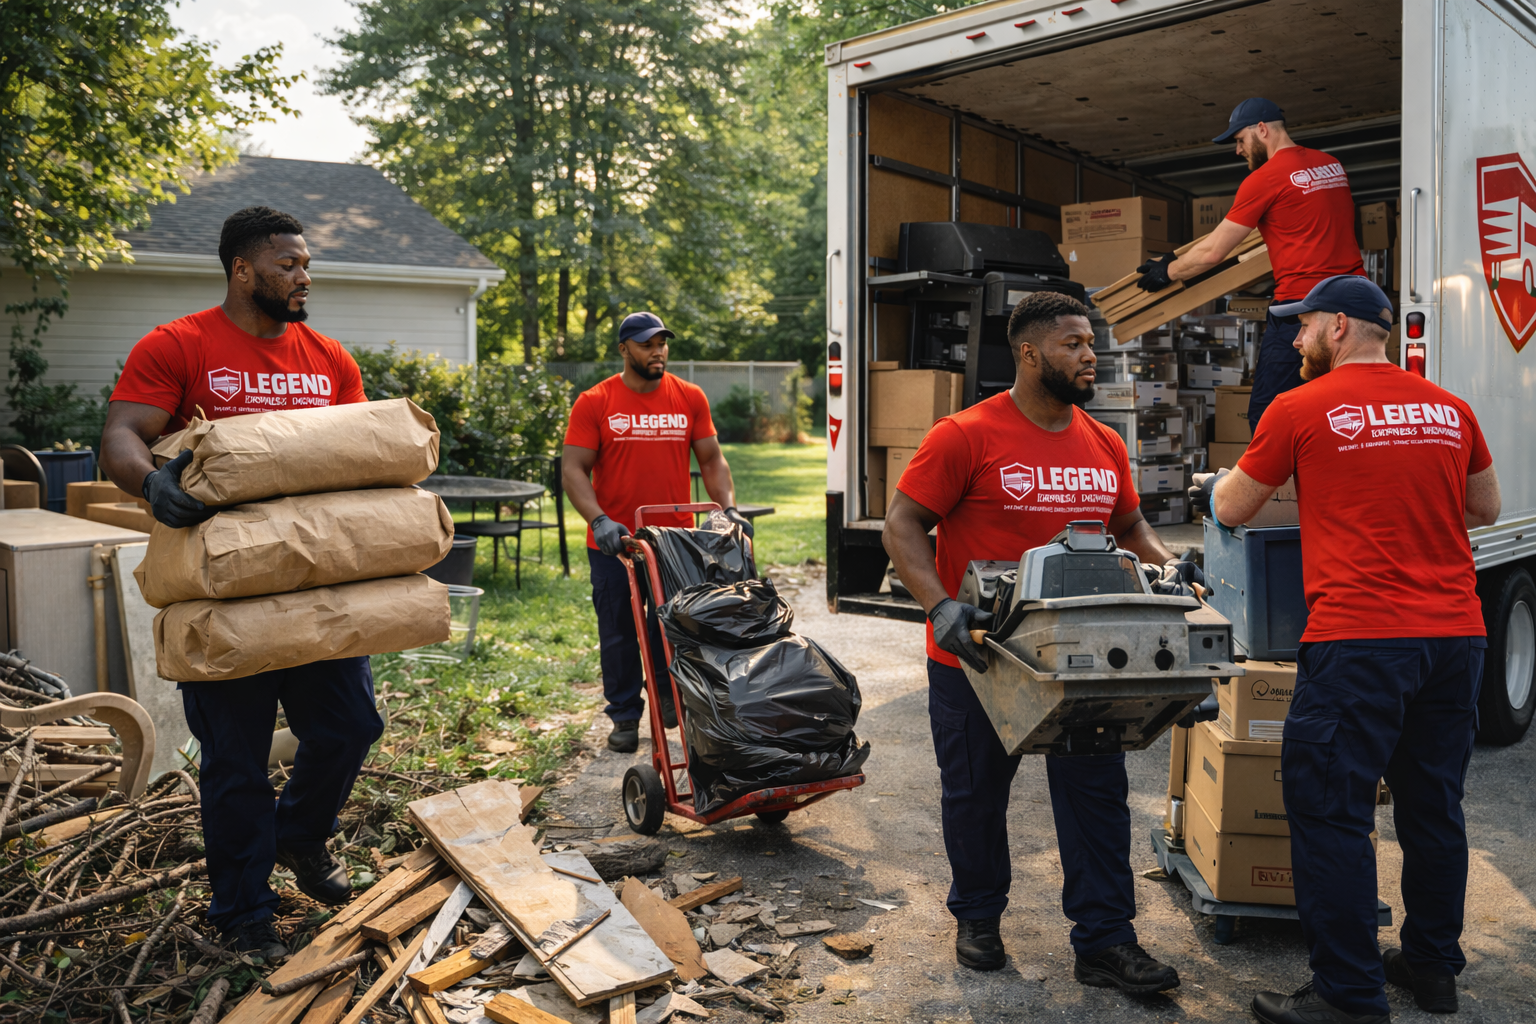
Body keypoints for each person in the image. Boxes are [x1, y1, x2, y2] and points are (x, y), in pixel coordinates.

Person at [1201, 276, 1500, 1024]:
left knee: (1330, 811)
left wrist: (1215, 487)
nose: (1294, 342)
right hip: (1455, 636)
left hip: (1361, 638)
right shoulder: (1449, 408)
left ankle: (1348, 996)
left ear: (1339, 326)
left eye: (1300, 328)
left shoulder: (1300, 408)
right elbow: (1483, 508)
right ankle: (1431, 968)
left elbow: (1235, 507)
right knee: (1434, 808)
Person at [882, 290, 1201, 990]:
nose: (1091, 356)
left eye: (1092, 344)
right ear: (1028, 353)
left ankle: (1106, 942)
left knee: (1096, 796)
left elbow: (1130, 529)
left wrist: (1169, 566)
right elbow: (902, 525)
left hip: (1081, 661)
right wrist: (939, 607)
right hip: (980, 657)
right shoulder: (965, 435)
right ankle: (978, 917)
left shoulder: (1103, 441)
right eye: (1073, 344)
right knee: (974, 795)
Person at [100, 206, 380, 962]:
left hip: (312, 580)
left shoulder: (327, 358)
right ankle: (245, 911)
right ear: (243, 270)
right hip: (219, 591)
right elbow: (121, 434)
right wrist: (152, 482)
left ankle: (298, 839)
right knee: (236, 758)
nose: (304, 276)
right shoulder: (179, 344)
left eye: (307, 264)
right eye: (289, 264)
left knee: (351, 726)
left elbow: (359, 455)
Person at [562, 312, 754, 754]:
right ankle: (625, 716)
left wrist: (728, 508)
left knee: (670, 626)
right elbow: (574, 469)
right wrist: (599, 519)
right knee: (619, 633)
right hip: (614, 542)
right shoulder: (596, 401)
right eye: (647, 344)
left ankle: (669, 695)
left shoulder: (689, 397)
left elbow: (711, 460)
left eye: (663, 343)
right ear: (624, 349)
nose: (658, 351)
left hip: (672, 543)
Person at [1137, 98, 1365, 429]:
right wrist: (1175, 254)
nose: (1238, 151)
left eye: (1240, 140)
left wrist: (1167, 271)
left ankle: (1284, 482)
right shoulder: (1331, 166)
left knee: (1268, 417)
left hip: (1302, 311)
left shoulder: (1265, 178)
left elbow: (1215, 251)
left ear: (1262, 130)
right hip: (1355, 308)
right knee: (1343, 412)